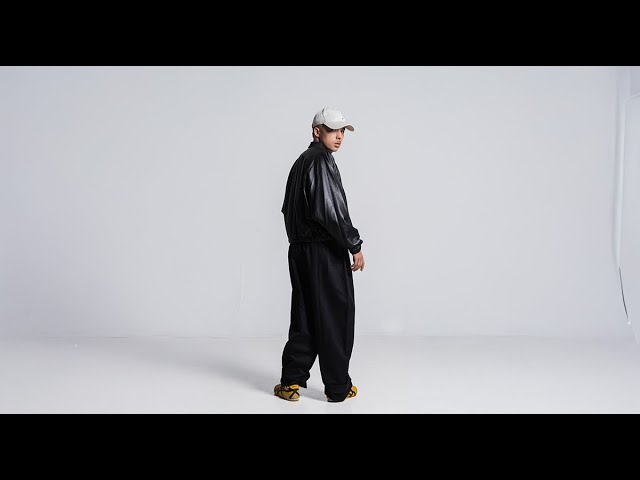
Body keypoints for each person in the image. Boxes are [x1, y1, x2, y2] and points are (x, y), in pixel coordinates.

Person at [275, 107, 365, 403]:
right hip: (324, 250)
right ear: (317, 131)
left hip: (299, 250)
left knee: (305, 316)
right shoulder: (321, 160)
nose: (339, 136)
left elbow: (288, 209)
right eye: (332, 130)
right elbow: (331, 211)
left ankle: (290, 382)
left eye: (342, 131)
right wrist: (354, 244)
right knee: (336, 316)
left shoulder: (301, 162)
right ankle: (338, 386)